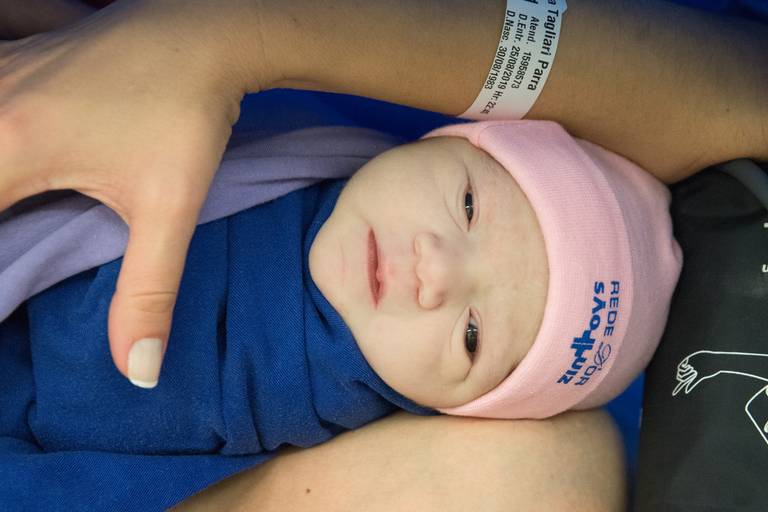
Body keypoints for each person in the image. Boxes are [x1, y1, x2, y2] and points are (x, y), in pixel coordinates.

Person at [0, 0, 765, 510]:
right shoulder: (319, 145)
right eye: (469, 206)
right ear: (445, 139)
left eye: (472, 335)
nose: (435, 270)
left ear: (450, 411)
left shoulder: (309, 398)